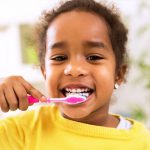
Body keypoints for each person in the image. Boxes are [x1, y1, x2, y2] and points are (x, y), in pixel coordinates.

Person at [0, 0, 150, 149]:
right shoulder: (19, 132)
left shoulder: (142, 142)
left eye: (93, 57)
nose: (74, 69)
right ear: (44, 72)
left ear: (118, 74)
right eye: (60, 58)